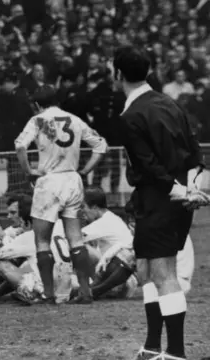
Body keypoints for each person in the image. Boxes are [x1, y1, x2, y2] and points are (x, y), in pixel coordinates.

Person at [112, 46, 205, 360]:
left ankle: (176, 353)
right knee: (147, 270)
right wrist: (192, 188)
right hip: (172, 197)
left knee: (163, 273)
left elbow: (150, 167)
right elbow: (195, 152)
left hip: (159, 198)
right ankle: (153, 347)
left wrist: (180, 191)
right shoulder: (171, 103)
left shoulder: (130, 116)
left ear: (118, 74)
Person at [14, 85, 108, 304]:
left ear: (37, 104)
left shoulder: (38, 120)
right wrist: (86, 170)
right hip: (72, 179)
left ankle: (48, 294)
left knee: (42, 241)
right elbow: (101, 146)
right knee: (75, 238)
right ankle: (85, 291)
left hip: (49, 180)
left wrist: (28, 171)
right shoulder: (74, 119)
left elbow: (20, 146)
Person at [78, 187, 135, 300]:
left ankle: (91, 290)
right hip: (118, 277)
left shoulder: (105, 222)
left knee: (79, 247)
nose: (82, 211)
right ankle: (88, 288)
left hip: (120, 281)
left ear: (94, 207)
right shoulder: (110, 217)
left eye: (83, 207)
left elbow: (73, 239)